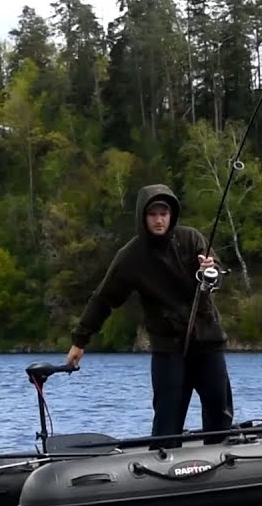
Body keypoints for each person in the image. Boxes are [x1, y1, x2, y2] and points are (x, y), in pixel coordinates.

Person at [65, 183, 234, 447]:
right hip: (168, 348)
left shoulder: (192, 240)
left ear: (171, 215)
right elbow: (103, 299)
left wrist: (211, 271)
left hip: (206, 340)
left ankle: (221, 460)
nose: (158, 220)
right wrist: (80, 341)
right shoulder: (131, 257)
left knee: (218, 409)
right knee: (168, 418)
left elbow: (216, 274)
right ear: (143, 217)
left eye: (163, 213)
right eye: (153, 214)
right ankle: (163, 466)